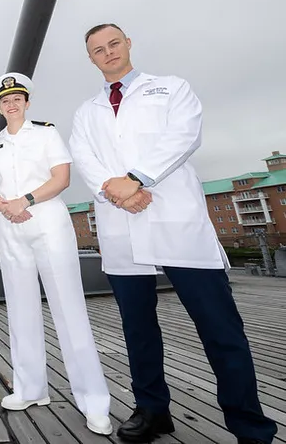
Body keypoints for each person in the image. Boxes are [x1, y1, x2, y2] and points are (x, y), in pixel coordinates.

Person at [69, 23, 277, 444]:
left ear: (128, 44)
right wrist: (118, 191)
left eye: (114, 44)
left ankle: (249, 426)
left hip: (175, 221)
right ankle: (152, 410)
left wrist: (136, 179)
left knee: (219, 328)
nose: (108, 53)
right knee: (137, 328)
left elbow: (183, 136)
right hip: (120, 223)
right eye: (98, 50)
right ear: (90, 59)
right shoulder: (86, 111)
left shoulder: (171, 88)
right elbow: (84, 157)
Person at [0, 72, 113, 436]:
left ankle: (93, 401)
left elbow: (61, 178)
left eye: (17, 98)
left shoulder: (46, 133)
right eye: (5, 100)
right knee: (20, 309)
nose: (11, 104)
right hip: (10, 227)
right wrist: (6, 207)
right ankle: (30, 388)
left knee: (68, 310)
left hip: (47, 221)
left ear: (27, 102)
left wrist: (23, 201)